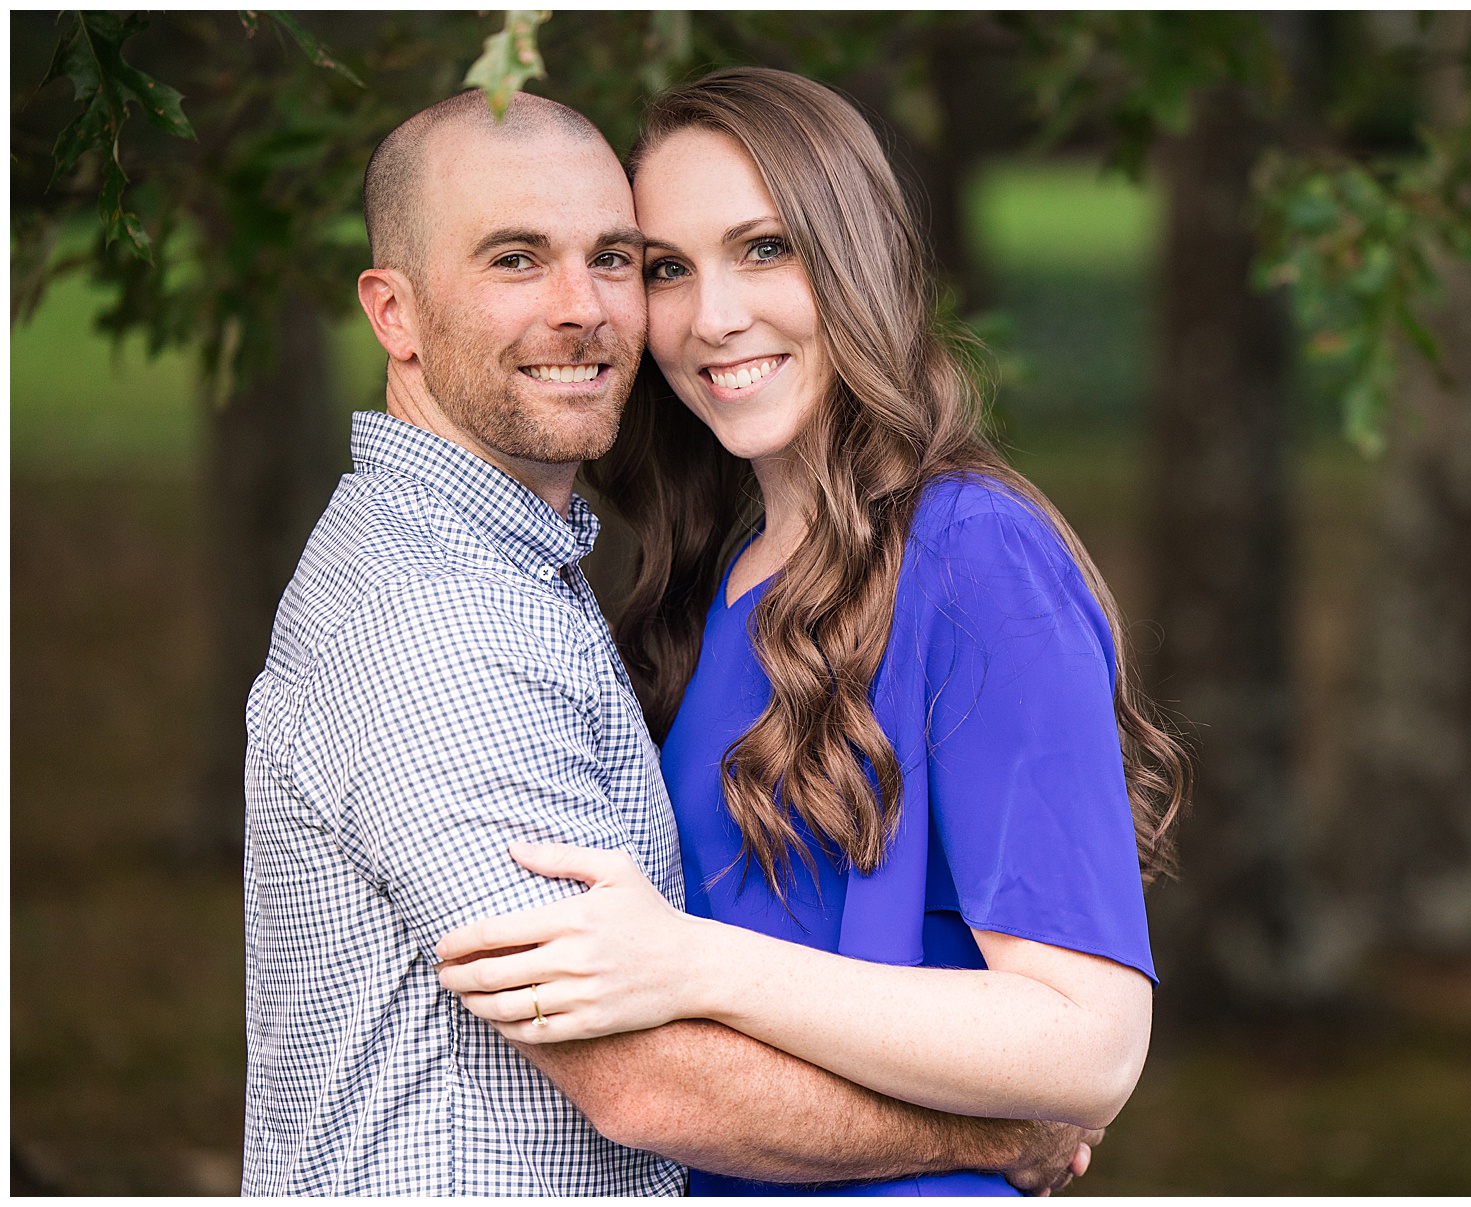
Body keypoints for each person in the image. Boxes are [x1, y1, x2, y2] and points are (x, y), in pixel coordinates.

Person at [242, 87, 1097, 1196]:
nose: (583, 308)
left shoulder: (539, 568)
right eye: (514, 260)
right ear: (394, 313)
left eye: (611, 258)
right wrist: (994, 1138)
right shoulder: (437, 617)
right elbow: (644, 1080)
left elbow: (1079, 1017)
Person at [435, 68, 1190, 1196]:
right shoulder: (710, 576)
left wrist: (693, 964)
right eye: (667, 271)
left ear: (858, 257)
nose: (713, 317)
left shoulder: (975, 554)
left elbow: (1091, 1042)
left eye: (766, 248)